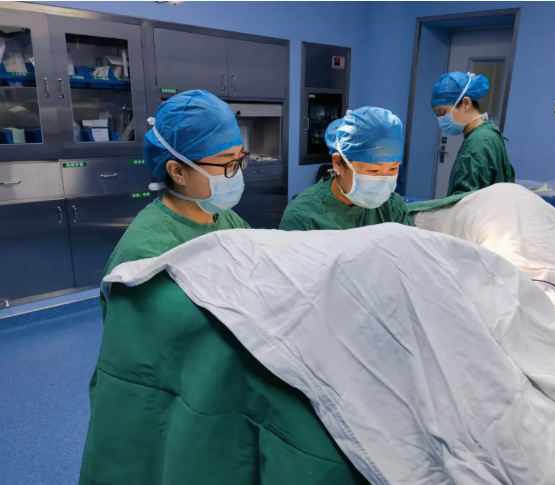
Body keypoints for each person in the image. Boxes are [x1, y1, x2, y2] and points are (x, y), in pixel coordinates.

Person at [80, 90, 366, 485]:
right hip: (173, 394)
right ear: (177, 171)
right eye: (227, 164)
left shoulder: (223, 218)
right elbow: (161, 354)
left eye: (240, 160)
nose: (238, 173)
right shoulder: (146, 254)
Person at [280, 106, 413, 231]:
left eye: (393, 169)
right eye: (373, 171)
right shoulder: (303, 217)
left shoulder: (392, 206)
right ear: (338, 163)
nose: (383, 181)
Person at [432, 71, 515, 196]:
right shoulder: (488, 132)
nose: (440, 119)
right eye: (437, 115)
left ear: (466, 104)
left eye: (442, 112)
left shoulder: (477, 145)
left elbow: (465, 202)